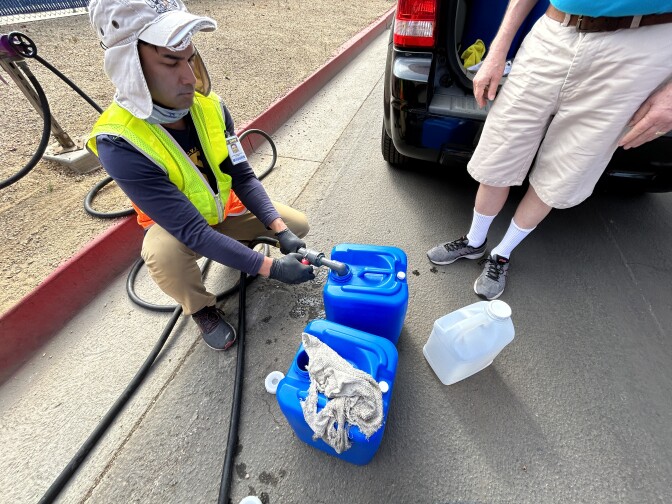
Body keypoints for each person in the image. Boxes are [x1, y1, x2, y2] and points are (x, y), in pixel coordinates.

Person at [86, 0, 315, 350]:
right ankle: (201, 309)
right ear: (129, 67)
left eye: (190, 58)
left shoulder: (210, 107)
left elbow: (242, 175)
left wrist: (279, 231)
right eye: (170, 61)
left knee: (297, 224)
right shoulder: (119, 143)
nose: (189, 78)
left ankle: (239, 247)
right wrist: (273, 268)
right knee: (162, 257)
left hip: (223, 209)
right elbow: (192, 231)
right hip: (178, 229)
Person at [427, 0, 672, 300]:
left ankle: (502, 254)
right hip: (554, 31)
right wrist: (498, 48)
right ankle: (475, 240)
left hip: (640, 51)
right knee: (500, 150)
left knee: (564, 169)